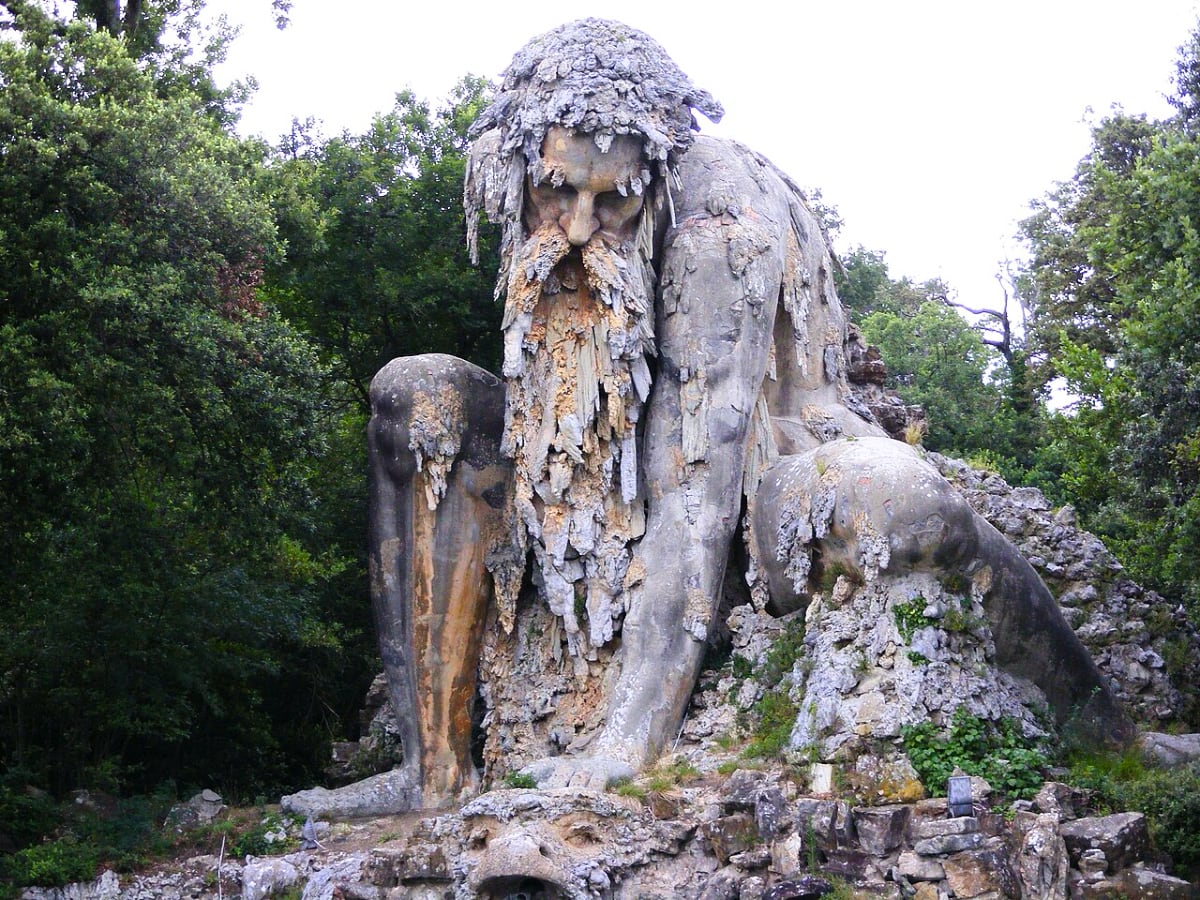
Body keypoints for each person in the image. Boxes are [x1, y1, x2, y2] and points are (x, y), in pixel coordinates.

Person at [350, 18, 1129, 812]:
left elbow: (696, 485)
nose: (578, 229)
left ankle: (1109, 732)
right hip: (570, 497)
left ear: (654, 173)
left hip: (761, 490)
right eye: (556, 192)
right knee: (418, 393)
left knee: (901, 502)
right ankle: (430, 774)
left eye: (612, 201)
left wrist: (627, 744)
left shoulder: (717, 227)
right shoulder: (535, 222)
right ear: (515, 170)